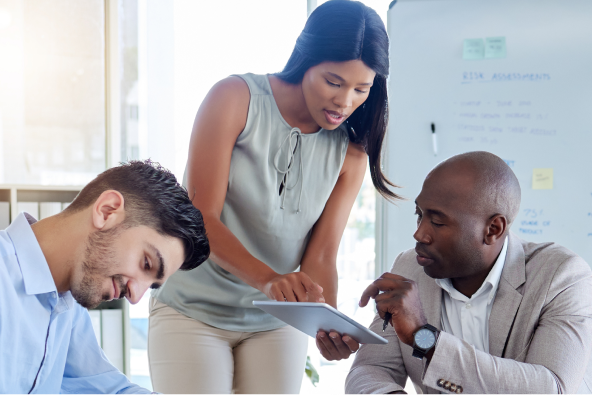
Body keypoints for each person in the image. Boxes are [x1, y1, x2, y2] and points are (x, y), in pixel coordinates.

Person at [147, 1, 400, 394]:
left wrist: (326, 322)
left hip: (273, 322)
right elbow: (201, 218)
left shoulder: (350, 154)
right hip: (193, 311)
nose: (344, 101)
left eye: (361, 89)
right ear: (306, 58)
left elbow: (320, 255)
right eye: (333, 82)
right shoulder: (234, 98)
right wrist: (268, 280)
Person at [339, 151, 592, 394]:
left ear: (493, 229)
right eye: (419, 215)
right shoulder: (410, 267)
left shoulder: (561, 276)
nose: (419, 234)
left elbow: (551, 389)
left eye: (437, 222)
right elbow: (371, 368)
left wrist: (424, 339)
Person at [0, 160, 210, 394]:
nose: (135, 297)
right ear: (107, 211)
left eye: (151, 286)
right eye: (146, 263)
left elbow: (109, 389)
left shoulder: (68, 310)